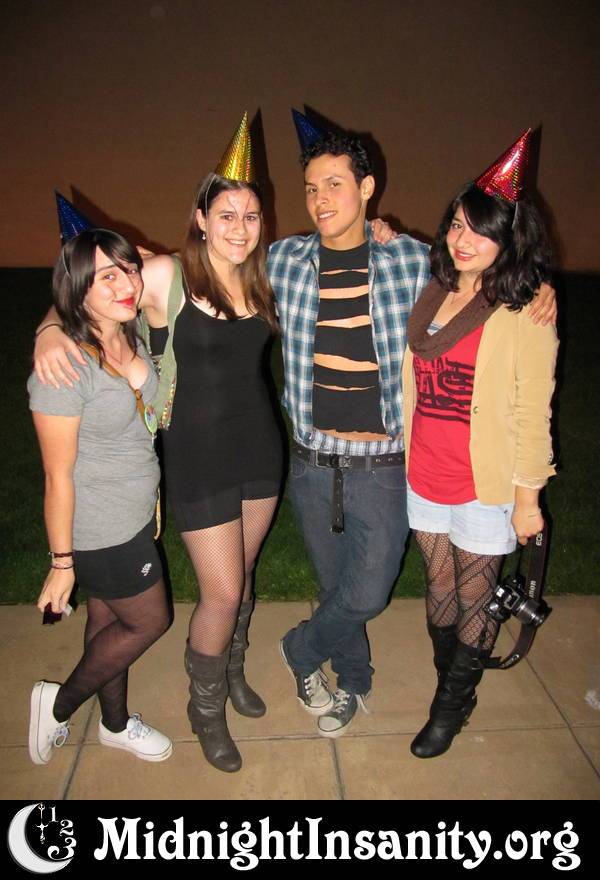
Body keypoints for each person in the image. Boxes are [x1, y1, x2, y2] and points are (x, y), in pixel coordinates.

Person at [270, 117, 557, 740]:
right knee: (337, 587)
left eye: (335, 184)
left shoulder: (407, 260)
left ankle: (301, 649)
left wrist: (540, 290)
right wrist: (61, 320)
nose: (321, 199)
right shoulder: (283, 260)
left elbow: (493, 281)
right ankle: (353, 682)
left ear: (366, 188)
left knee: (368, 593)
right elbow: (202, 274)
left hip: (384, 466)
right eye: (312, 187)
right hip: (313, 462)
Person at [34, 115, 283, 774]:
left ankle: (232, 671)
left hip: (262, 452)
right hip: (197, 460)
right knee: (221, 594)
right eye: (225, 214)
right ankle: (206, 710)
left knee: (245, 583)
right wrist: (49, 331)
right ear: (200, 219)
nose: (239, 227)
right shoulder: (168, 274)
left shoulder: (265, 277)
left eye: (251, 215)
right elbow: (88, 287)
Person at [402, 130, 558, 758]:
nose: (462, 240)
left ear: (509, 240)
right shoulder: (435, 288)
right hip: (424, 473)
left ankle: (449, 707)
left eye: (480, 231)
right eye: (457, 225)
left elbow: (532, 412)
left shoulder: (524, 309)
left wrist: (528, 500)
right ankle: (452, 681)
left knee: (474, 596)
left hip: (482, 484)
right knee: (439, 587)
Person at [28, 227, 172, 766]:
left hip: (133, 515)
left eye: (128, 270)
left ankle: (114, 725)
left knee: (109, 622)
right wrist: (62, 562)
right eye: (106, 277)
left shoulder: (127, 330)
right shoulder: (64, 367)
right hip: (100, 528)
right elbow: (56, 475)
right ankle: (57, 704)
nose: (126, 284)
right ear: (78, 288)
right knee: (149, 621)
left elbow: (167, 265)